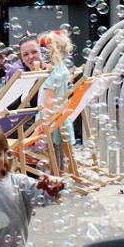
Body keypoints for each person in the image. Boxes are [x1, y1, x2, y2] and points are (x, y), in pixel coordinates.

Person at [38, 31, 75, 169]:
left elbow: (48, 98)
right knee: (58, 147)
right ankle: (61, 174)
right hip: (60, 113)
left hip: (51, 114)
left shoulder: (51, 71)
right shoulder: (63, 68)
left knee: (52, 148)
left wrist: (44, 119)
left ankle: (56, 175)